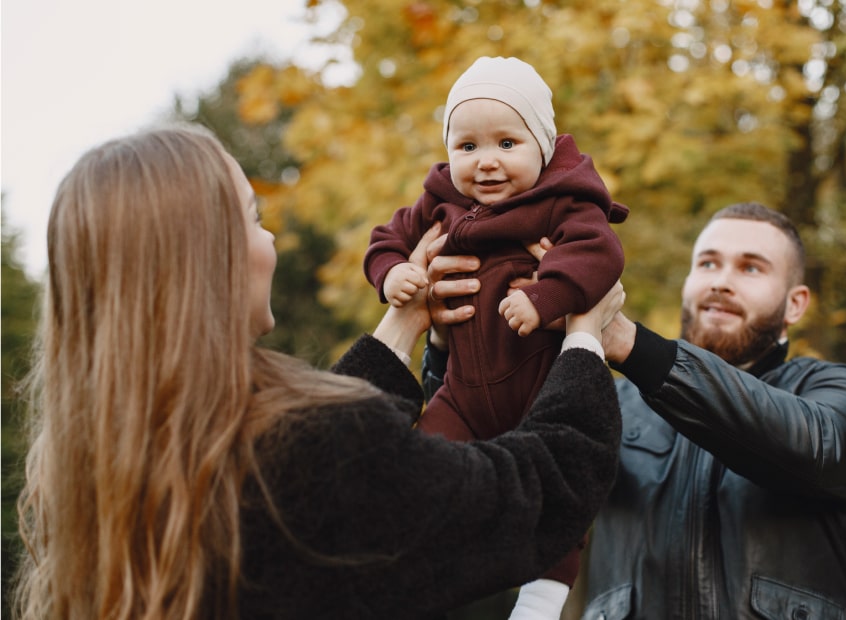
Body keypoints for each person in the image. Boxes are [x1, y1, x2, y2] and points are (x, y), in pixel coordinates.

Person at [11, 124, 627, 620]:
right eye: (253, 219)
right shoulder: (304, 460)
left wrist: (407, 319)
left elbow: (335, 451)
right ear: (209, 260)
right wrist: (582, 334)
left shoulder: (102, 468)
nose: (272, 238)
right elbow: (538, 492)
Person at [423, 202, 846, 620]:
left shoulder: (837, 391)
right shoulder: (614, 404)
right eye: (708, 263)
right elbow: (493, 468)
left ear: (795, 304)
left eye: (751, 268)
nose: (721, 281)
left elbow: (813, 447)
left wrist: (626, 342)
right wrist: (453, 341)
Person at [364, 56, 628, 619]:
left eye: (508, 143)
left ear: (543, 145)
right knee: (421, 468)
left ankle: (541, 598)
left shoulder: (563, 200)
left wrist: (547, 295)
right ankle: (412, 578)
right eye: (467, 147)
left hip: (540, 388)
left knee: (561, 489)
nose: (486, 162)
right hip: (461, 391)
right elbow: (386, 238)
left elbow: (598, 252)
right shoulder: (441, 205)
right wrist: (393, 274)